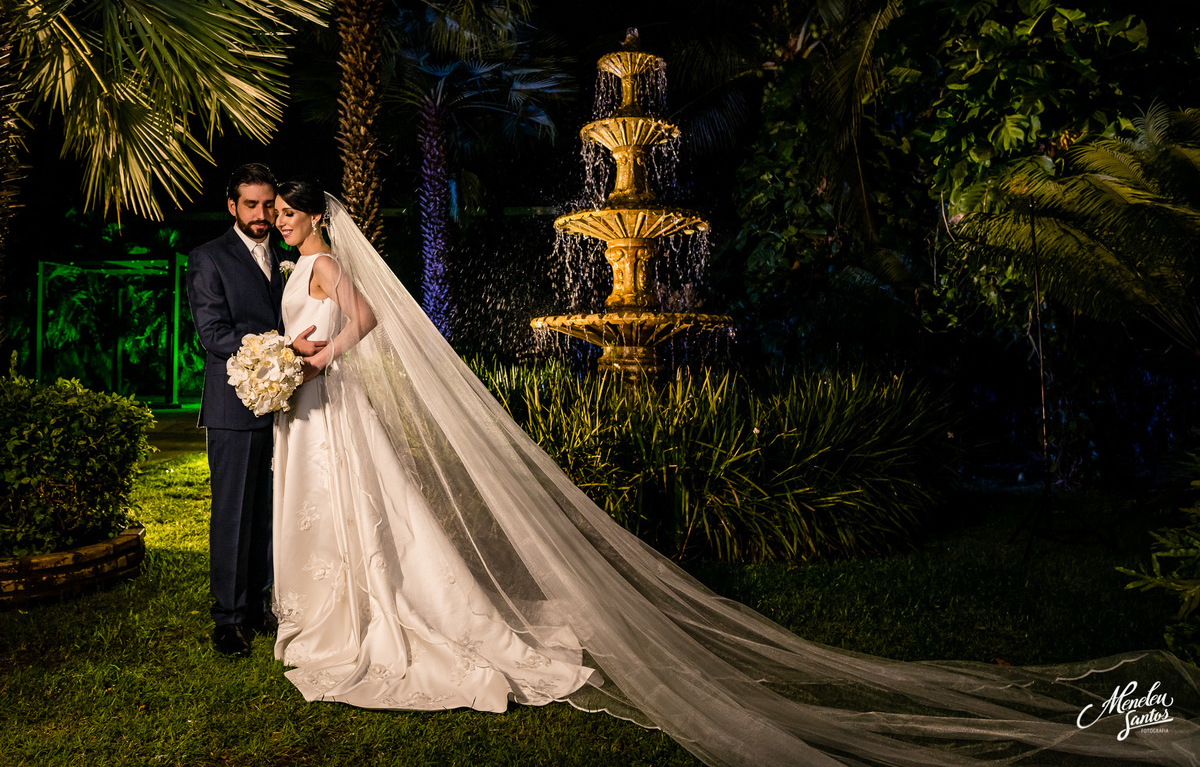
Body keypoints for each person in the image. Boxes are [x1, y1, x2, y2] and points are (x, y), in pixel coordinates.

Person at [269, 180, 1199, 766]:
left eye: (285, 209)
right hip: (311, 414)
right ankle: (332, 604)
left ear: (315, 215)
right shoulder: (296, 266)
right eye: (272, 213)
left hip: (330, 403)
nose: (277, 219)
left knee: (365, 516)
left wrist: (316, 359)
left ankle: (377, 615)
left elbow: (367, 325)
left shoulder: (325, 267)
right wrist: (281, 362)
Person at [187, 164, 323, 657]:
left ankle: (260, 604)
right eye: (252, 205)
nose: (264, 214)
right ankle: (227, 618)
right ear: (232, 206)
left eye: (270, 205)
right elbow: (214, 335)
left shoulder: (285, 256)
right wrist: (284, 348)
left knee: (271, 508)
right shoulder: (208, 258)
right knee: (232, 512)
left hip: (285, 404)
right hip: (234, 405)